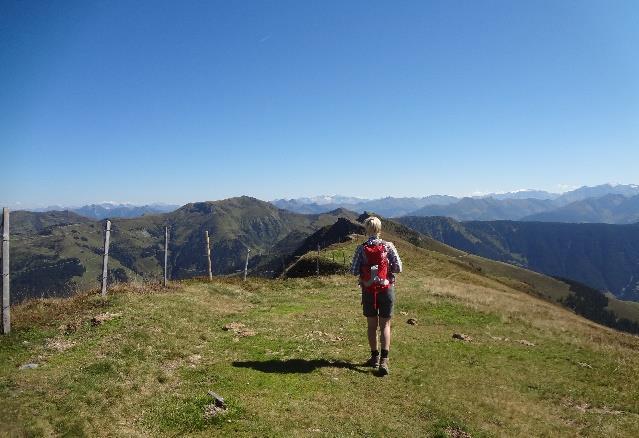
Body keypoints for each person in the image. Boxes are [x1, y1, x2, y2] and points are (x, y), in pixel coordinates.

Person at [351, 216, 402, 375]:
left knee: (372, 326)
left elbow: (353, 270)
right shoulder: (389, 246)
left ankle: (374, 357)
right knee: (385, 326)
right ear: (380, 229)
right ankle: (384, 361)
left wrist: (366, 276)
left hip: (368, 290)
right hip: (386, 289)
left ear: (366, 229)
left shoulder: (361, 248)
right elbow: (398, 268)